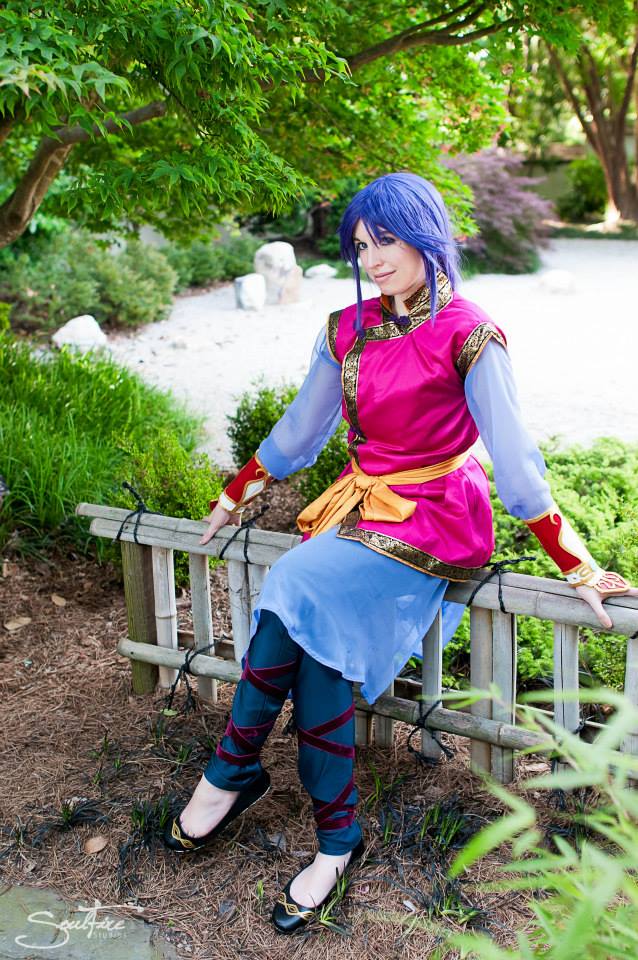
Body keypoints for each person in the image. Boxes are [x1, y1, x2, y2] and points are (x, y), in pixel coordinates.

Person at [163, 172, 636, 933]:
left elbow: (516, 462)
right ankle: (333, 839)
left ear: (426, 236)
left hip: (441, 513)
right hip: (363, 508)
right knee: (317, 645)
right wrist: (233, 492)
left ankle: (230, 774)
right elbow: (301, 429)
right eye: (360, 245)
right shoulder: (346, 328)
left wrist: (574, 562)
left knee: (296, 579)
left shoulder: (471, 332)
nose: (373, 259)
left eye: (386, 240)